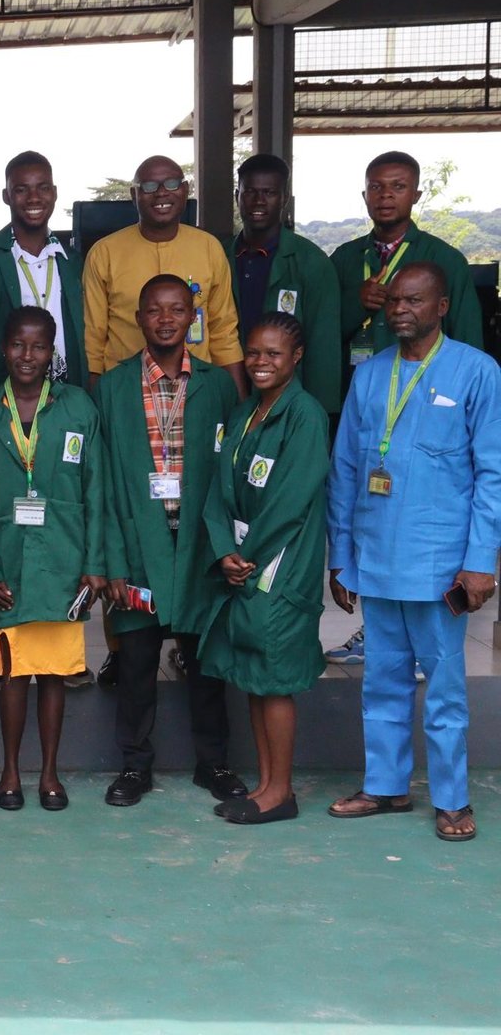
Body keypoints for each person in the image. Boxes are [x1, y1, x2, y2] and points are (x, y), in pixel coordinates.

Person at [325, 263, 500, 843]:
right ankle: (386, 785)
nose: (400, 309)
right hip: (376, 558)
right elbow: (346, 468)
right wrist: (341, 555)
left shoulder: (477, 372)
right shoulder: (370, 374)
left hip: (440, 564)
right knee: (382, 680)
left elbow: (492, 474)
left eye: (415, 300)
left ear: (442, 306)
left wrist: (480, 561)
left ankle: (451, 798)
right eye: (394, 300)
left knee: (444, 687)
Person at [94, 275, 247, 807]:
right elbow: (103, 483)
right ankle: (134, 766)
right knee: (136, 663)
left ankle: (214, 763)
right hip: (139, 546)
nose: (165, 319)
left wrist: (227, 545)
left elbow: (228, 476)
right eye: (155, 310)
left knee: (205, 663)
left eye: (177, 309)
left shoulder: (217, 385)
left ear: (192, 318)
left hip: (200, 546)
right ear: (138, 318)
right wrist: (113, 560)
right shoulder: (113, 388)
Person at [0, 307, 106, 812]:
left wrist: (94, 563)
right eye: (18, 345)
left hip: (63, 561)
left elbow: (96, 489)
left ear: (53, 353)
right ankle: (9, 771)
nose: (28, 355)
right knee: (13, 672)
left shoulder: (77, 407)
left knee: (53, 673)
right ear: (4, 349)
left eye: (39, 346)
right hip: (8, 564)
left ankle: (49, 773)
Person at [198, 311, 328, 825]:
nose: (260, 362)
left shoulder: (305, 415)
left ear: (296, 357)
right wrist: (222, 550)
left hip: (281, 565)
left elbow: (291, 501)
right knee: (254, 673)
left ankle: (282, 792)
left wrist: (246, 555)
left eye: (273, 353)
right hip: (245, 562)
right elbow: (217, 489)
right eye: (253, 352)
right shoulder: (245, 412)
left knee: (274, 677)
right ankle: (265, 785)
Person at [82, 156, 247, 396]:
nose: (161, 193)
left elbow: (224, 332)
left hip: (197, 389)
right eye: (149, 186)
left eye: (172, 184)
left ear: (185, 190)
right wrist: (97, 401)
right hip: (125, 391)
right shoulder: (104, 253)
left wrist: (239, 402)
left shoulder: (208, 248)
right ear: (134, 195)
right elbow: (93, 338)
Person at [330, 152, 484, 372]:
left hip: (426, 383)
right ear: (365, 196)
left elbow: (467, 339)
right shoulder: (344, 257)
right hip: (356, 384)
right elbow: (321, 333)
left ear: (416, 195)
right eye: (375, 187)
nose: (386, 195)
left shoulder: (446, 259)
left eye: (399, 186)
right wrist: (356, 302)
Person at [0, 151, 88, 390]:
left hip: (65, 395)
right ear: (6, 196)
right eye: (21, 190)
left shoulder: (72, 261)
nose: (34, 198)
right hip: (6, 399)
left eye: (43, 188)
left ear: (55, 193)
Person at [222, 155, 342, 414]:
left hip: (288, 404)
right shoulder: (219, 256)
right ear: (237, 196)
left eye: (269, 193)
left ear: (285, 198)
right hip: (228, 395)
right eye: (250, 192)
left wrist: (318, 414)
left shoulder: (311, 262)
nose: (259, 201)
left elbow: (323, 347)